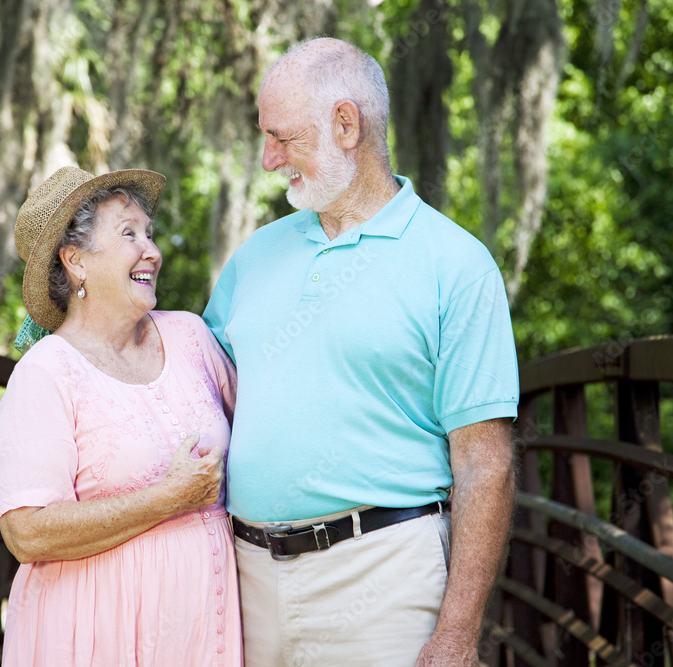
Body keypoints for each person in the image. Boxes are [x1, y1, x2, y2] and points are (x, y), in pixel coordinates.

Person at [202, 38, 518, 666]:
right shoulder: (255, 256)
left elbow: (487, 466)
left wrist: (457, 635)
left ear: (346, 125)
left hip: (385, 579)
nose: (268, 159)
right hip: (243, 578)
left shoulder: (456, 265)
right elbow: (191, 388)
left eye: (282, 137)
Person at [0, 166, 242, 665]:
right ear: (76, 261)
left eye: (149, 233)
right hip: (92, 635)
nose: (152, 250)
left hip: (200, 632)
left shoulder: (192, 337)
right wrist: (168, 498)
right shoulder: (45, 371)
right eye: (128, 233)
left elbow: (259, 429)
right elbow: (26, 533)